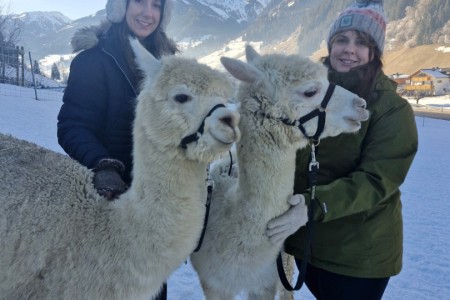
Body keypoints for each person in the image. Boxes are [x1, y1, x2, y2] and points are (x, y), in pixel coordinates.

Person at [265, 0, 418, 299]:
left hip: (359, 256)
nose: (350, 49)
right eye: (342, 40)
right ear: (330, 45)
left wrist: (313, 205)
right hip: (306, 244)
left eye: (362, 42)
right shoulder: (305, 96)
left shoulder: (391, 110)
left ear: (374, 52)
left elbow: (376, 180)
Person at [57, 0, 178, 298]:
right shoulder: (94, 60)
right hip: (109, 201)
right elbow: (73, 126)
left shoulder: (169, 64)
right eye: (139, 1)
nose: (147, 13)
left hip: (154, 206)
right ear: (119, 7)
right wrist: (104, 165)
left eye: (156, 5)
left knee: (152, 288)